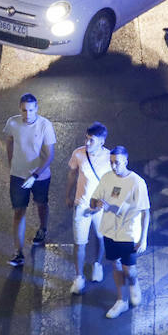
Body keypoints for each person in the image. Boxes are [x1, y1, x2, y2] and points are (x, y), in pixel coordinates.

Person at [90, 146, 150, 318]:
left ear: (126, 161)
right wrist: (96, 204)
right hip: (109, 231)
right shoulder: (107, 178)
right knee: (115, 265)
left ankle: (134, 284)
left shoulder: (136, 183)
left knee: (129, 270)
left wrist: (143, 239)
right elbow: (93, 201)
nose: (113, 166)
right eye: (111, 163)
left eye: (117, 163)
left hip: (128, 234)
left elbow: (146, 211)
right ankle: (121, 300)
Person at [3, 93, 56, 268]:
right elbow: (9, 141)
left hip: (40, 177)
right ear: (20, 109)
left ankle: (42, 228)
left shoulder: (45, 126)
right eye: (25, 110)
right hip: (18, 176)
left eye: (31, 110)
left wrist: (35, 175)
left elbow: (49, 156)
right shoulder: (13, 123)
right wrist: (11, 162)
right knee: (19, 212)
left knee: (41, 204)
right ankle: (18, 253)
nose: (28, 114)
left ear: (37, 109)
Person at [64, 122, 111, 294]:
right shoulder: (78, 154)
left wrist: (107, 201)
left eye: (92, 140)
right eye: (86, 138)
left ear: (102, 142)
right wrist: (67, 195)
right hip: (82, 206)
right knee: (80, 243)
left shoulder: (109, 158)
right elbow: (72, 174)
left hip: (101, 207)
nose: (87, 143)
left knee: (101, 238)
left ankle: (97, 264)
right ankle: (78, 277)